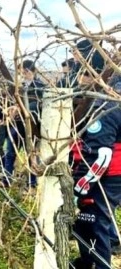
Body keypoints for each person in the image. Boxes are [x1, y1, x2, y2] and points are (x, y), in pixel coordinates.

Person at [71, 73, 121, 269]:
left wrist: (80, 188)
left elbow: (101, 157)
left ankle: (100, 265)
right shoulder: (109, 103)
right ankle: (86, 262)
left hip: (105, 176)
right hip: (107, 174)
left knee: (96, 222)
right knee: (87, 220)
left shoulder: (106, 107)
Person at [2, 59, 45, 189]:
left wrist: (21, 108)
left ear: (30, 71)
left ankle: (32, 184)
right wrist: (11, 109)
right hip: (19, 125)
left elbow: (38, 104)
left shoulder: (39, 86)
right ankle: (6, 180)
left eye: (24, 72)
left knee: (31, 155)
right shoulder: (19, 87)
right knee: (10, 151)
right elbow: (15, 102)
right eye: (21, 73)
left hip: (33, 127)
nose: (22, 75)